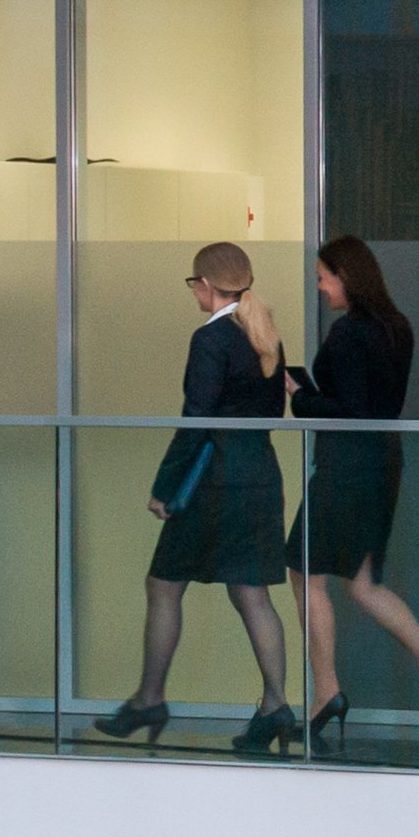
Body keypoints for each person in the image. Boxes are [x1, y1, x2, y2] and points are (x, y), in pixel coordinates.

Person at [103, 242, 296, 755]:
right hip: (260, 475)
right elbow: (271, 413)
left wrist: (165, 488)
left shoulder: (211, 338)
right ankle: (276, 705)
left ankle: (149, 699)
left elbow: (196, 419)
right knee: (252, 593)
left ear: (206, 286)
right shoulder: (263, 331)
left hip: (214, 479)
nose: (194, 294)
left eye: (194, 285)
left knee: (163, 584)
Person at [288, 238, 419, 752]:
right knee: (362, 583)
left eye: (323, 277)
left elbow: (348, 411)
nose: (320, 287)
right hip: (383, 461)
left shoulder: (349, 332)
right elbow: (372, 404)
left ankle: (327, 691)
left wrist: (300, 396)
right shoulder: (397, 327)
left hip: (347, 467)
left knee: (303, 571)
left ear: (345, 276)